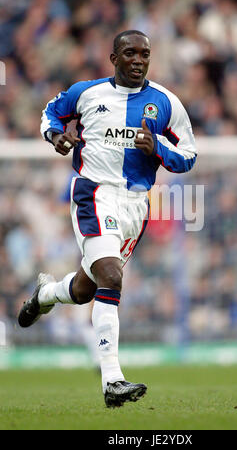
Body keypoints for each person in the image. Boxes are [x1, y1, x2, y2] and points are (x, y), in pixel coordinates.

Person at [18, 30, 197, 408]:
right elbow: (51, 112)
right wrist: (55, 136)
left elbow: (190, 155)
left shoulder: (166, 102)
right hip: (93, 192)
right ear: (113, 58)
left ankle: (46, 294)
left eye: (144, 54)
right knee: (112, 276)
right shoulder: (86, 93)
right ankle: (112, 380)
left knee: (85, 290)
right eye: (129, 53)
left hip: (136, 205)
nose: (138, 60)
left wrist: (159, 148)